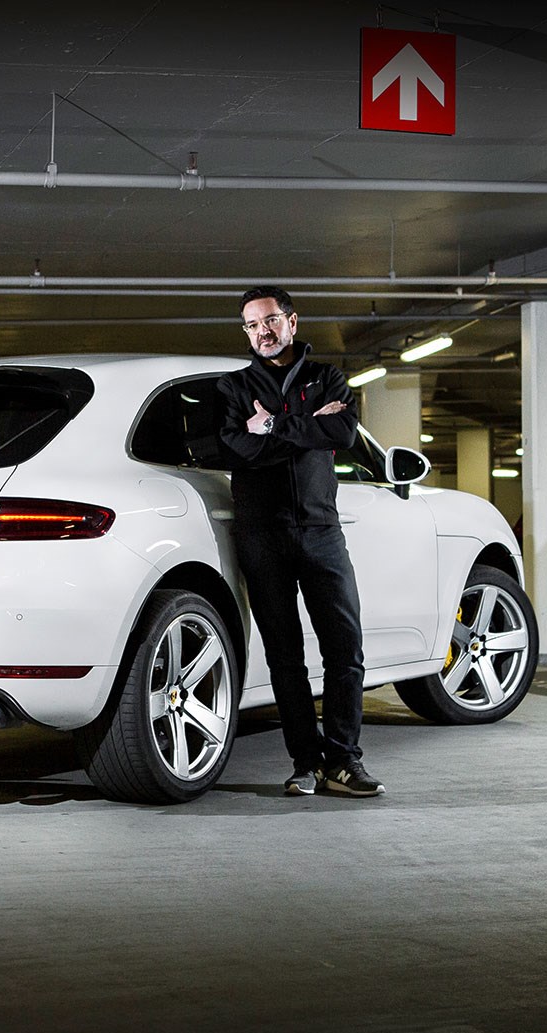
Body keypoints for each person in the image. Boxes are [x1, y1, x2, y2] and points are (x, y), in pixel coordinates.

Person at [216, 285, 383, 797]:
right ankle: (305, 764)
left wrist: (271, 428)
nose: (260, 332)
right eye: (250, 324)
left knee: (345, 649)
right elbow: (234, 447)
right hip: (262, 536)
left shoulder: (327, 376)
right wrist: (309, 425)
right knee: (285, 658)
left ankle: (344, 761)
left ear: (291, 321)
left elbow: (345, 434)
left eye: (268, 320)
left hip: (320, 531)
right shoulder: (232, 387)